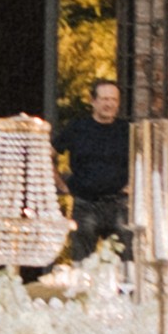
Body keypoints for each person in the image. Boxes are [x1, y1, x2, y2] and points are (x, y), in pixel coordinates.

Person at [59, 72, 131, 252]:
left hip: (119, 204)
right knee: (83, 262)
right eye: (105, 99)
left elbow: (143, 159)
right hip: (85, 204)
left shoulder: (126, 130)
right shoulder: (77, 128)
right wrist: (61, 185)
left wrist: (134, 185)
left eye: (114, 100)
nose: (109, 104)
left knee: (126, 260)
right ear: (93, 101)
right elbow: (46, 154)